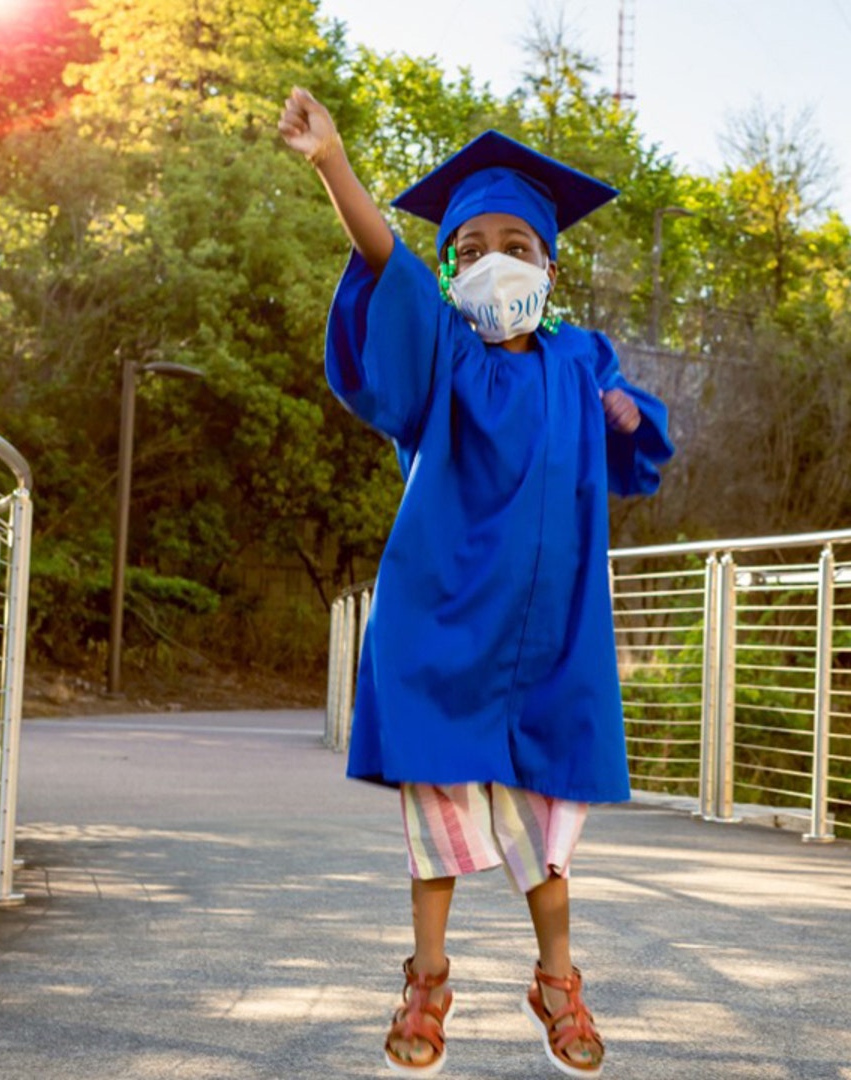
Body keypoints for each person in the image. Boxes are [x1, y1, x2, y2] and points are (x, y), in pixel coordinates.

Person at [278, 87, 674, 1076]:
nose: (499, 259)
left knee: (543, 836)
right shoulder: (447, 353)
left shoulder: (581, 360)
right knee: (440, 826)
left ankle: (557, 981)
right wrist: (334, 163)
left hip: (550, 642)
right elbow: (385, 261)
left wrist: (626, 410)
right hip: (448, 630)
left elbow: (638, 442)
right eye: (476, 245)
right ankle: (427, 980)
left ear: (551, 265)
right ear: (454, 266)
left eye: (522, 245)